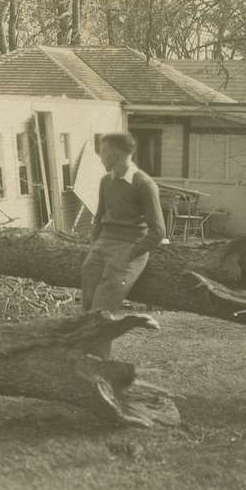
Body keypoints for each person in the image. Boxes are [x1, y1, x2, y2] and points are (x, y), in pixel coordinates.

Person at [83, 132, 167, 358]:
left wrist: (130, 254)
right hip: (103, 245)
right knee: (87, 306)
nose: (100, 157)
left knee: (102, 309)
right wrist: (95, 246)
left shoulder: (144, 184)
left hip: (129, 247)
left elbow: (158, 232)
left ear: (116, 153)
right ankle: (83, 357)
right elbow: (99, 218)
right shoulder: (105, 181)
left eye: (102, 152)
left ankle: (99, 364)